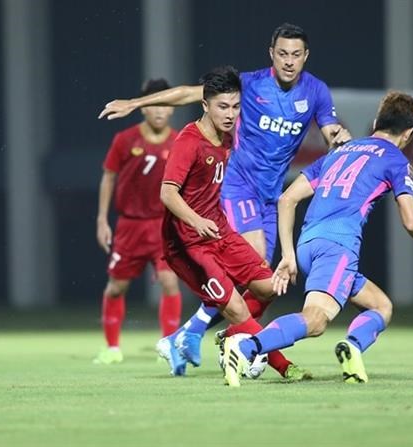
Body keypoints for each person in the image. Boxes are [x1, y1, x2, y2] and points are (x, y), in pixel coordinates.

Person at [99, 23, 350, 372]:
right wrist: (136, 102)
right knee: (254, 264)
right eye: (282, 53)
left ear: (306, 56)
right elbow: (189, 93)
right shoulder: (249, 84)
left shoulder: (317, 92)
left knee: (266, 286)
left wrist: (340, 139)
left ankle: (194, 335)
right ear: (271, 54)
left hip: (270, 196)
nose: (289, 61)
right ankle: (257, 351)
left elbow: (330, 131)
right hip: (237, 186)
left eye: (296, 54)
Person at [221, 91, 413, 386]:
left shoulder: (338, 152)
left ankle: (352, 347)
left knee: (380, 306)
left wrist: (288, 256)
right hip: (337, 247)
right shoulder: (396, 160)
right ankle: (246, 348)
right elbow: (411, 222)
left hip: (307, 244)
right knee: (316, 319)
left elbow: (287, 199)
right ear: (409, 133)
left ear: (376, 121)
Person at [155, 65, 306, 384]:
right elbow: (167, 193)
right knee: (236, 307)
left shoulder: (227, 136)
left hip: (219, 231)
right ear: (205, 104)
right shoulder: (189, 141)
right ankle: (283, 365)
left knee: (270, 285)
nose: (230, 113)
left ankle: (201, 338)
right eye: (223, 106)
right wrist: (196, 221)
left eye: (235, 106)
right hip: (188, 243)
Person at [94, 79, 182, 365]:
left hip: (162, 225)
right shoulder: (125, 139)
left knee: (170, 282)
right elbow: (108, 176)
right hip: (129, 226)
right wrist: (101, 220)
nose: (159, 111)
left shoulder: (179, 141)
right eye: (153, 104)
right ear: (143, 108)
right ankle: (112, 348)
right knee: (116, 287)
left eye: (165, 104)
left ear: (171, 110)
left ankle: (168, 346)